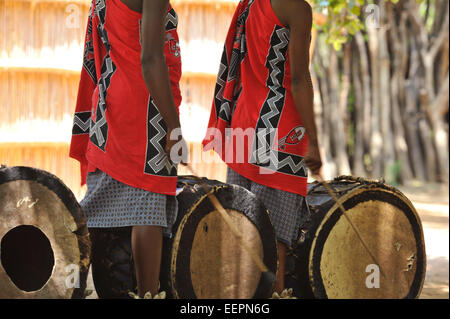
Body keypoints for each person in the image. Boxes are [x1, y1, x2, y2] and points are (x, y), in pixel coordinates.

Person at [202, 0, 322, 294]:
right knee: (274, 243)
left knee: (243, 235)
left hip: (243, 129)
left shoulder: (252, 3)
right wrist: (314, 141)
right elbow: (298, 78)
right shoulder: (297, 9)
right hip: (278, 133)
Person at [70, 0, 186, 298]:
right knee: (149, 204)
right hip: (146, 108)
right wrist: (173, 128)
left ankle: (73, 285)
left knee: (95, 206)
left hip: (108, 104)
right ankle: (149, 293)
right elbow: (150, 59)